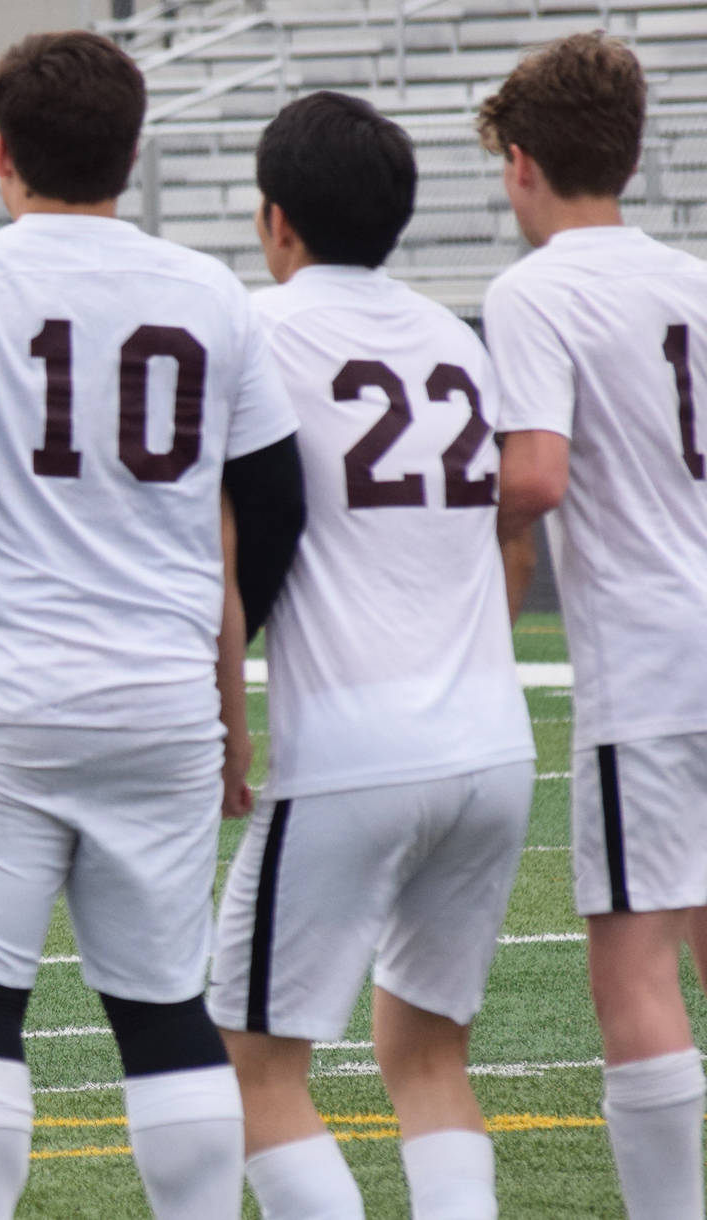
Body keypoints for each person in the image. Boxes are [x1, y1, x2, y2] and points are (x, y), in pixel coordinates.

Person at [0, 30, 305, 1220]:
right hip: (158, 705)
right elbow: (274, 500)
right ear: (132, 151)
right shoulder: (207, 288)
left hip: (0, 702)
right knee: (162, 1010)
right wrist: (221, 661)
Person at [204, 92, 536, 1220]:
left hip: (348, 742)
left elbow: (225, 539)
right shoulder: (455, 341)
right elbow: (510, 541)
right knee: (426, 1054)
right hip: (490, 741)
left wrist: (226, 719)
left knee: (251, 1067)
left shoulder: (257, 332)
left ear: (274, 219)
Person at [483, 33, 707, 1220]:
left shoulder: (531, 290)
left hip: (646, 658)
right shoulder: (690, 276)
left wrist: (435, 505)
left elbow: (534, 473)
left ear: (520, 165)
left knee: (629, 957)